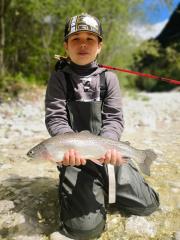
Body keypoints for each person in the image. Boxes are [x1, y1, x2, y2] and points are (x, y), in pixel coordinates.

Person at [45, 13, 160, 240]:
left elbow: (114, 119)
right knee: (84, 231)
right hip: (76, 160)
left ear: (99, 46)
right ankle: (82, 189)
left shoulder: (110, 79)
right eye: (76, 38)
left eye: (90, 38)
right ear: (66, 46)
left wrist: (110, 149)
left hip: (108, 156)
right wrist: (65, 143)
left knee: (148, 206)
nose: (83, 43)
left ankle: (109, 182)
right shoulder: (58, 79)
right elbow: (55, 118)